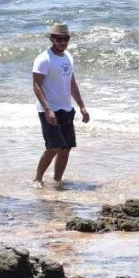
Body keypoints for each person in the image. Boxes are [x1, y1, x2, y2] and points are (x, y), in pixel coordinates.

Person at [32, 23, 90, 189]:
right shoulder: (43, 59)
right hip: (49, 110)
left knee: (66, 147)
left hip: (66, 109)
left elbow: (71, 82)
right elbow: (36, 86)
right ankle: (37, 178)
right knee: (54, 146)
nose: (63, 42)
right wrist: (48, 109)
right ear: (52, 39)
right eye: (59, 39)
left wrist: (82, 106)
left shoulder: (68, 57)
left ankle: (57, 181)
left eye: (66, 39)